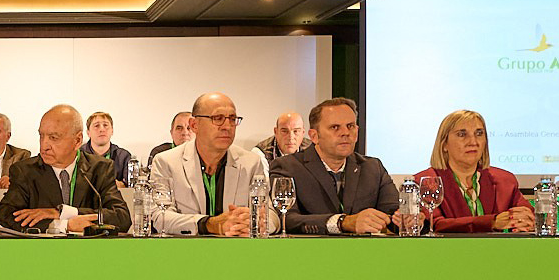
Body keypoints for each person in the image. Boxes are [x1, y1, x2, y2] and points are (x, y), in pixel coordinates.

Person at [148, 93, 274, 237]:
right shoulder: (166, 162)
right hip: (185, 248)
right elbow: (160, 217)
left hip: (237, 247)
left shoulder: (251, 162)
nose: (227, 126)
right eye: (218, 118)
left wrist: (260, 223)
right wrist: (209, 224)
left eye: (232, 119)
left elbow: (271, 213)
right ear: (194, 125)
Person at [0, 105, 132, 234]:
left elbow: (122, 218)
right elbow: (2, 215)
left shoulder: (100, 168)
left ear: (77, 140)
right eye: (41, 136)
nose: (44, 146)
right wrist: (63, 225)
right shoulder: (25, 171)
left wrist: (62, 212)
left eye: (53, 138)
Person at [271, 97, 399, 235]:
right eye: (335, 127)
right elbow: (287, 219)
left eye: (350, 126)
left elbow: (393, 214)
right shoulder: (287, 167)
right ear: (314, 136)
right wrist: (342, 223)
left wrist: (406, 220)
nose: (345, 133)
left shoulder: (373, 168)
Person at [409, 109, 536, 233]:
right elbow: (436, 224)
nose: (473, 142)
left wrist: (525, 221)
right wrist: (491, 222)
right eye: (462, 134)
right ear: (444, 144)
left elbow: (528, 215)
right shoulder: (425, 181)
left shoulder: (505, 180)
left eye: (479, 133)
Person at [84, 111, 135, 184]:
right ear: (88, 132)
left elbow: (129, 186)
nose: (102, 129)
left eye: (105, 125)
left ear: (112, 131)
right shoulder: (78, 155)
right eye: (96, 126)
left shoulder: (123, 156)